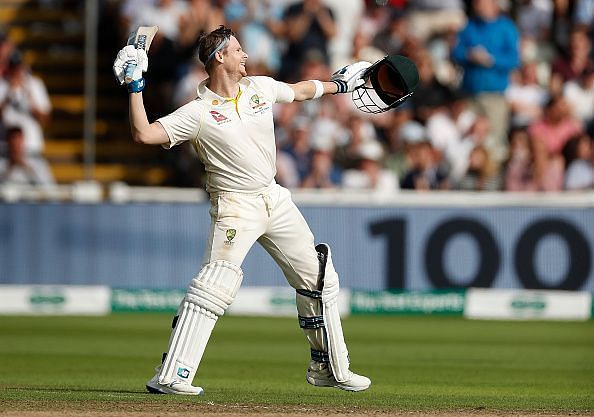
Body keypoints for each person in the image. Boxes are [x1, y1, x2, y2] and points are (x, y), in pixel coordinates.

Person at [113, 25, 372, 395]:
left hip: (275, 198)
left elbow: (300, 91)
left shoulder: (260, 88)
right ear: (220, 57)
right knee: (215, 285)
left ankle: (329, 367)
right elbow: (144, 134)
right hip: (234, 205)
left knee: (318, 279)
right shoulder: (198, 111)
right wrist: (135, 88)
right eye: (238, 50)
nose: (245, 55)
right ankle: (171, 375)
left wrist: (340, 86)